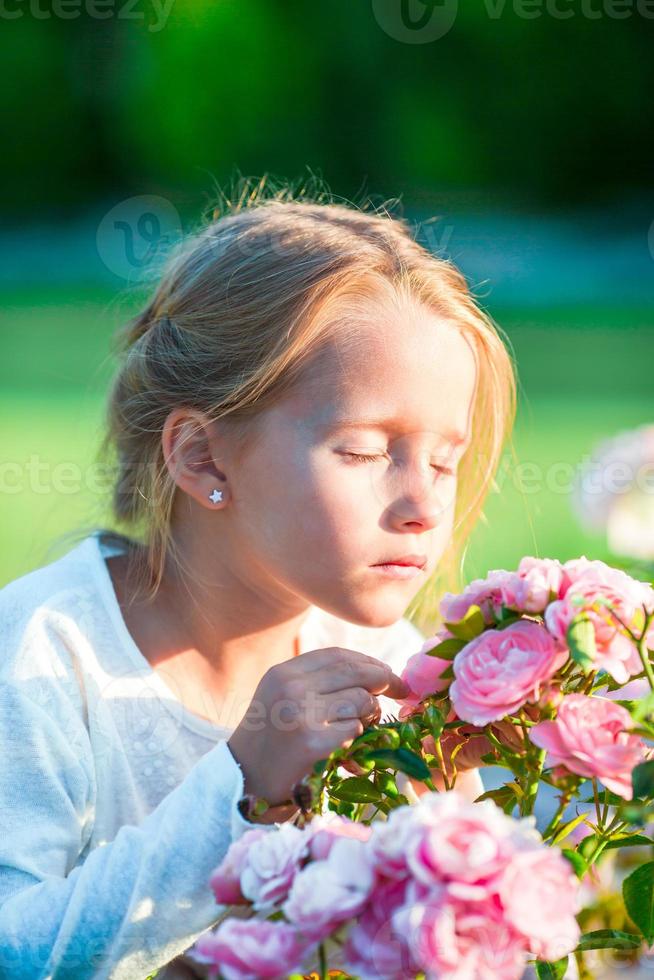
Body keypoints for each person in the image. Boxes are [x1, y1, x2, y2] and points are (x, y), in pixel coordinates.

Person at [0, 178, 516, 978]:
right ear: (202, 455)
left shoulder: (380, 652)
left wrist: (459, 829)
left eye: (445, 461)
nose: (423, 503)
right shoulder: (44, 656)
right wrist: (241, 788)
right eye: (364, 451)